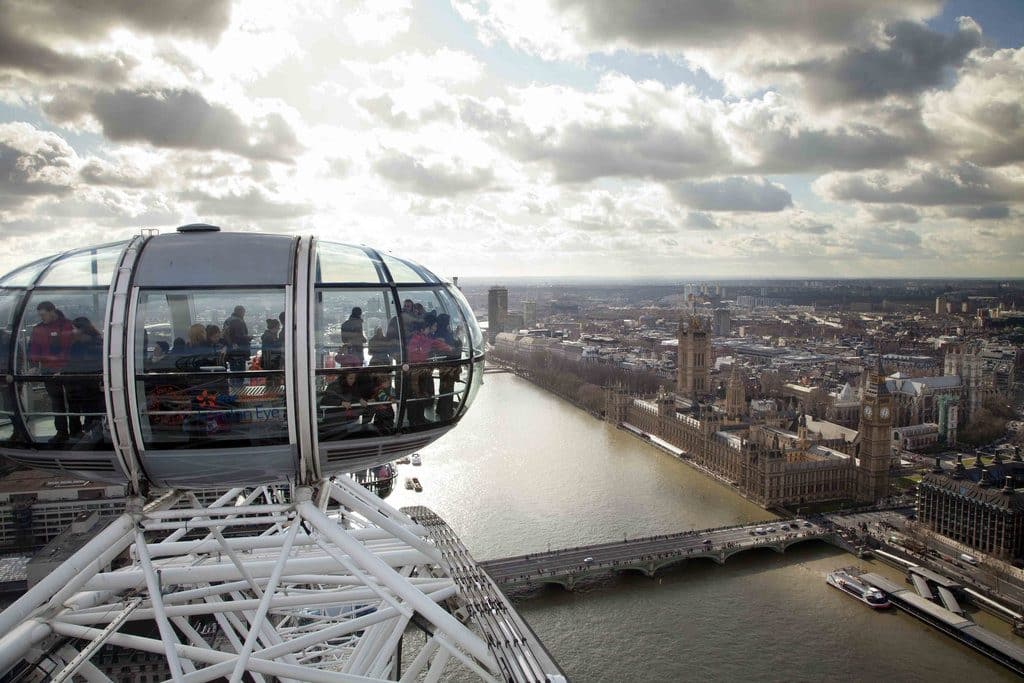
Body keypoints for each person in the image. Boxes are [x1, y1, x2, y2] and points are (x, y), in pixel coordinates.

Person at [28, 301, 75, 443]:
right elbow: (34, 349)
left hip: (67, 369)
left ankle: (75, 430)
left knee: (72, 401)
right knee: (57, 402)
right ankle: (62, 432)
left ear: (52, 311)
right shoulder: (40, 329)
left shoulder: (67, 326)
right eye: (40, 315)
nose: (42, 318)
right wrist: (34, 365)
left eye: (44, 315)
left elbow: (72, 347)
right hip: (51, 370)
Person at [65, 317, 104, 438]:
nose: (72, 331)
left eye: (74, 329)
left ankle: (95, 435)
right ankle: (93, 433)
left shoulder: (94, 344)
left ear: (82, 329)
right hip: (83, 386)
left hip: (91, 385)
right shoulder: (79, 344)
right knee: (90, 411)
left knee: (93, 411)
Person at [222, 305, 251, 387]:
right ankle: (238, 393)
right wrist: (248, 338)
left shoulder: (228, 320)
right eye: (243, 312)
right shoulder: (238, 321)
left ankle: (234, 392)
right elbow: (239, 337)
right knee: (239, 375)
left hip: (231, 352)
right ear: (241, 312)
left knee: (233, 374)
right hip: (239, 352)